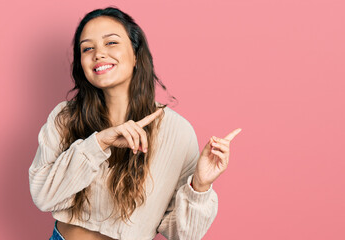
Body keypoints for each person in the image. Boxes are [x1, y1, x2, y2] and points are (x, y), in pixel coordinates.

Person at [29, 7, 242, 240]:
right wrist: (99, 143)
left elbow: (183, 235)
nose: (98, 54)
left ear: (136, 55)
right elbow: (43, 196)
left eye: (111, 43)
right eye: (87, 48)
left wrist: (199, 186)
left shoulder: (177, 132)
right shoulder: (65, 117)